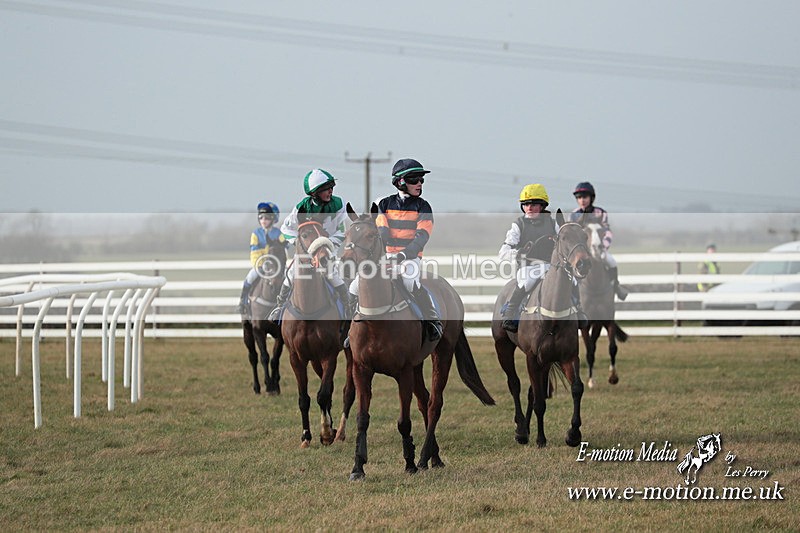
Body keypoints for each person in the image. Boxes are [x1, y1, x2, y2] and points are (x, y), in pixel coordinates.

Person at [353, 157, 443, 342]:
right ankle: (349, 326)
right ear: (400, 182)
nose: (419, 183)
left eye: (421, 180)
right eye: (414, 180)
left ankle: (432, 321)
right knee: (355, 286)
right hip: (386, 257)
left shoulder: (423, 206)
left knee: (410, 281)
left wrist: (403, 255)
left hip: (410, 258)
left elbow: (422, 237)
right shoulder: (384, 205)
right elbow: (382, 232)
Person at [268, 168, 350, 322]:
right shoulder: (302, 207)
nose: (330, 191)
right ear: (314, 193)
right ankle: (279, 307)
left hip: (328, 248)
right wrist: (300, 244)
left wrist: (325, 244)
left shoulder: (339, 204)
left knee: (333, 275)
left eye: (331, 187)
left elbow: (341, 231)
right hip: (306, 252)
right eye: (326, 189)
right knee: (291, 274)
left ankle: (347, 307)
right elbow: (286, 229)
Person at [498, 184, 559, 332]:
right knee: (527, 282)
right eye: (525, 204)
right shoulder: (518, 225)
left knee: (572, 280)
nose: (529, 207)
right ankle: (510, 315)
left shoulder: (553, 223)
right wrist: (519, 252)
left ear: (543, 206)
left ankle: (578, 309)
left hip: (550, 267)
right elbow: (503, 252)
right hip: (528, 268)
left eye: (534, 204)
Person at [570, 181, 628, 301]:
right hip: (582, 250)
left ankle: (616, 287)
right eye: (579, 198)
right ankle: (571, 292)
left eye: (585, 197)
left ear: (591, 198)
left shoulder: (600, 213)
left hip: (598, 249)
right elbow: (572, 234)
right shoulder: (574, 215)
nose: (582, 200)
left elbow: (607, 232)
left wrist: (604, 247)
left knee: (611, 261)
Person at [237, 202, 286, 314]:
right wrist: (260, 264)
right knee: (250, 278)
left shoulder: (279, 233)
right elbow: (254, 252)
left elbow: (285, 247)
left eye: (267, 218)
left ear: (273, 219)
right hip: (261, 264)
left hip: (278, 266)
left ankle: (287, 302)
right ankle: (243, 302)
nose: (263, 220)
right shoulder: (255, 234)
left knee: (289, 279)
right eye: (261, 217)